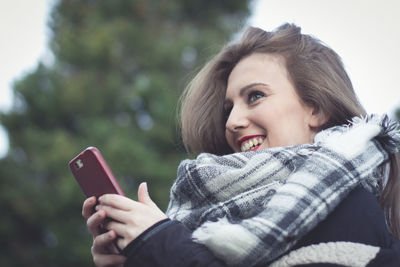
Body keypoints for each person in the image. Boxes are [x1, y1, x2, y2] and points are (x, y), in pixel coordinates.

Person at [82, 23, 400, 266]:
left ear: (315, 109)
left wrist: (161, 243)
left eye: (255, 96)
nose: (233, 121)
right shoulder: (198, 221)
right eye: (227, 109)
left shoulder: (348, 205)